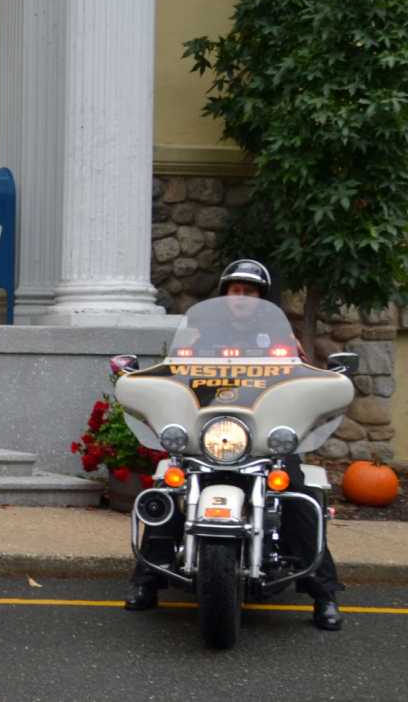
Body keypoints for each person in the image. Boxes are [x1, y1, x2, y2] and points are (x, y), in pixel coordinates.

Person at [128, 259, 343, 630]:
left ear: (261, 297)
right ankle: (146, 582)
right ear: (225, 295)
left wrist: (320, 378)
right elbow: (175, 373)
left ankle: (323, 593)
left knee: (299, 495)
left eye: (250, 291)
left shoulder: (281, 338)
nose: (242, 297)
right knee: (170, 490)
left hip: (264, 437)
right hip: (209, 434)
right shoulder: (202, 334)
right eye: (236, 290)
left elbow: (304, 377)